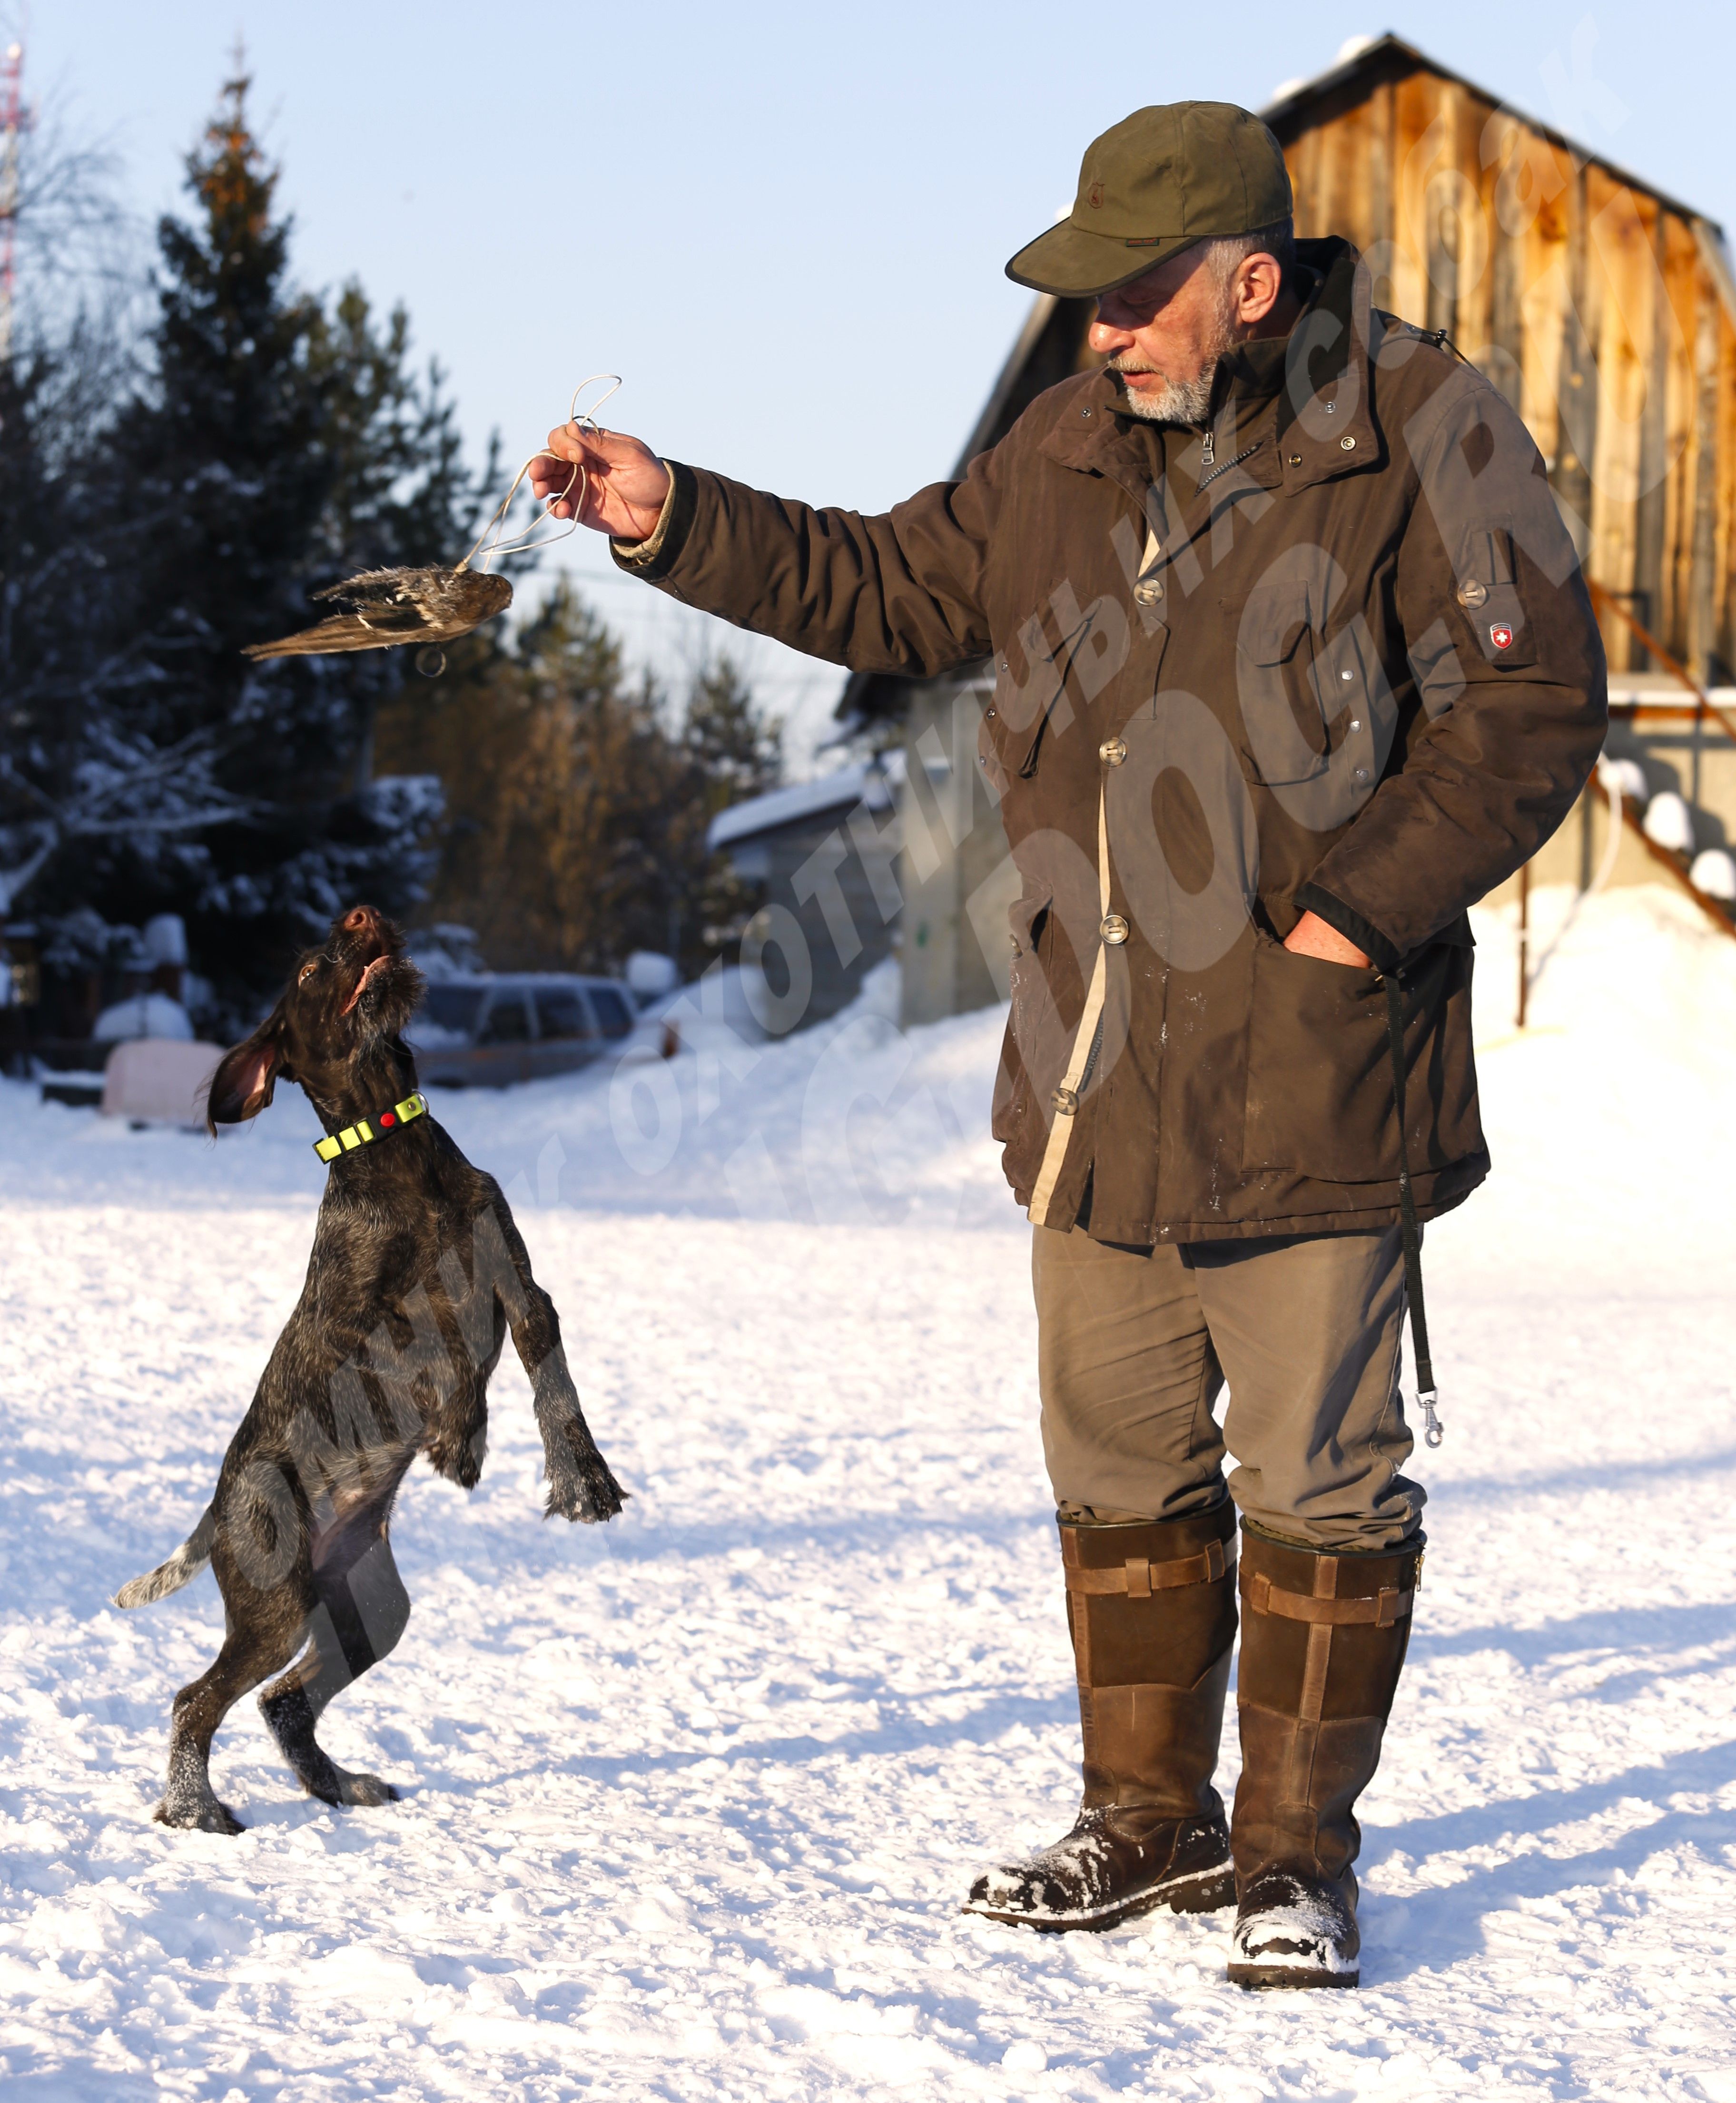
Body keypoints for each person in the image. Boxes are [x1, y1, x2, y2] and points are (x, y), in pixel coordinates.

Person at [532, 101, 1607, 1989]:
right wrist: (670, 512)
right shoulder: (1059, 448)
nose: (1099, 328)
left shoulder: (1430, 425)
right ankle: (1145, 1815)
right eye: (1086, 297)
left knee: (1322, 1487)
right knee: (1117, 1468)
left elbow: (1532, 709)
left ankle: (1293, 1856)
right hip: (1094, 1074)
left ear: (1249, 283)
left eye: (1132, 293)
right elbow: (887, 585)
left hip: (1313, 1074)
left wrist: (1355, 915)